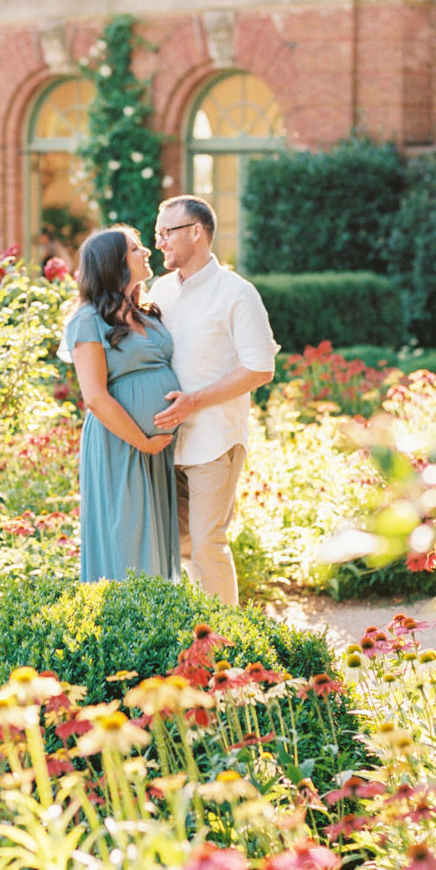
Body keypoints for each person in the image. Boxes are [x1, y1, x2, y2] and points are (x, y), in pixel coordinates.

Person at [150, 196, 278, 605]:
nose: (159, 243)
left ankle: (230, 640)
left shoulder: (238, 293)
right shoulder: (160, 290)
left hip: (214, 439)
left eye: (166, 233)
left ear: (196, 232)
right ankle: (197, 639)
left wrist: (194, 402)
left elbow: (260, 369)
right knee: (182, 545)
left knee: (208, 544)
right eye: (157, 234)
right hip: (165, 441)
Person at [60, 226, 180, 583]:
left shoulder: (145, 312)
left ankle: (159, 629)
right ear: (113, 263)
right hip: (120, 445)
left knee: (154, 542)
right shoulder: (87, 320)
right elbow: (95, 397)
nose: (146, 252)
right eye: (135, 248)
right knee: (128, 542)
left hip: (155, 449)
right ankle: (128, 629)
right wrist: (143, 441)